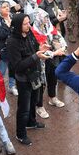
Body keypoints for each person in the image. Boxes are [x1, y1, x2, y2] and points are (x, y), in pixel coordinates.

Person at [6, 13, 49, 146]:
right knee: (23, 107)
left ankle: (31, 122)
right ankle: (20, 134)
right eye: (25, 24)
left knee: (34, 101)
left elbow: (35, 47)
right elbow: (17, 66)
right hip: (23, 78)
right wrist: (36, 56)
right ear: (18, 25)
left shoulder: (29, 33)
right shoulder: (12, 41)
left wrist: (41, 49)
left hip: (34, 74)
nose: (28, 26)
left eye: (29, 22)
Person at [30, 8, 68, 118]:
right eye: (44, 19)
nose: (46, 21)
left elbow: (58, 37)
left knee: (53, 78)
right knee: (41, 84)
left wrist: (63, 46)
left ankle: (52, 98)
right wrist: (55, 52)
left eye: (47, 18)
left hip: (53, 59)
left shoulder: (49, 27)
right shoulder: (34, 32)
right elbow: (39, 50)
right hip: (40, 62)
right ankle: (39, 106)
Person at [0, 1, 16, 95]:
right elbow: (1, 34)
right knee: (1, 70)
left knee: (13, 68)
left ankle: (12, 86)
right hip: (2, 50)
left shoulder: (13, 17)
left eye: (7, 6)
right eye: (4, 7)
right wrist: (9, 25)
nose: (7, 8)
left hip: (14, 48)